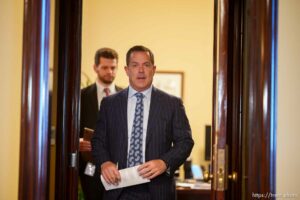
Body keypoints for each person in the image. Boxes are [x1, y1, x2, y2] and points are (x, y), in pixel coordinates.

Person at [92, 45, 194, 200]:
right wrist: (105, 162)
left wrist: (164, 162)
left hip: (157, 191)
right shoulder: (109, 104)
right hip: (117, 189)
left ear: (153, 69)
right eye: (135, 65)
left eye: (146, 65)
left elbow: (185, 142)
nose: (141, 70)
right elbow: (98, 141)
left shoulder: (172, 104)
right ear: (127, 70)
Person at [79, 47, 122, 200]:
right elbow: (72, 129)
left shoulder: (127, 96)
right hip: (90, 166)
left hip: (119, 167)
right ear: (95, 67)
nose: (109, 71)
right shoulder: (80, 97)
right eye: (105, 67)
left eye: (113, 67)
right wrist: (78, 142)